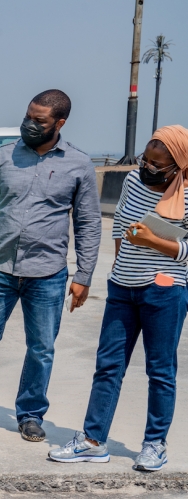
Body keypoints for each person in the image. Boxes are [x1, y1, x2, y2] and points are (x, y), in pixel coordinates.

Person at [0, 90, 101, 443]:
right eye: (28, 116)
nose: (30, 124)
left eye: (40, 121)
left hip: (48, 274)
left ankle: (31, 414)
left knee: (41, 349)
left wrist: (84, 275)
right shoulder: (1, 159)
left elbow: (88, 222)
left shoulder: (79, 164)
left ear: (59, 124)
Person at [49, 126, 188, 471]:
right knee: (108, 366)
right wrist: (117, 271)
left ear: (178, 165)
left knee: (160, 371)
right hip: (122, 288)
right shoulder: (131, 182)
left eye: (158, 163)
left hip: (165, 290)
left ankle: (155, 444)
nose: (148, 167)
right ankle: (93, 441)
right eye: (146, 158)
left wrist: (153, 243)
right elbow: (118, 230)